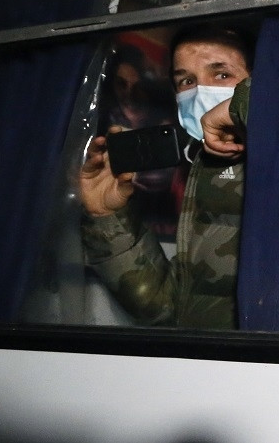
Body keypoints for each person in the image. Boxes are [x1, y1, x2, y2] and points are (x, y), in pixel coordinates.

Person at [79, 23, 252, 329]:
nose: (200, 91)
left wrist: (242, 110)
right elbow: (171, 309)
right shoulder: (204, 167)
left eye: (222, 74)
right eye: (186, 80)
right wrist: (108, 217)